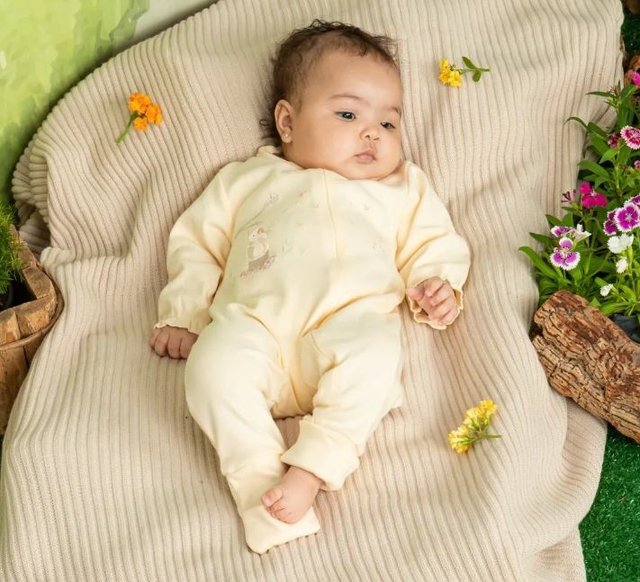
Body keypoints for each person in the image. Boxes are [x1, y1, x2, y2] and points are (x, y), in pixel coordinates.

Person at [149, 20, 471, 554]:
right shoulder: (245, 181)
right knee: (211, 367)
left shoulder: (401, 188)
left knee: (377, 352)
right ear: (288, 121)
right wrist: (184, 312)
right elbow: (196, 244)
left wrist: (439, 284)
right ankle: (258, 486)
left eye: (389, 122)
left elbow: (434, 242)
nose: (373, 133)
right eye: (348, 114)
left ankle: (313, 468)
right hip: (255, 329)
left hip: (346, 329)